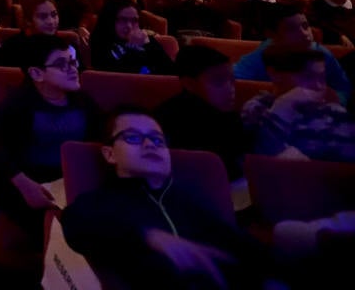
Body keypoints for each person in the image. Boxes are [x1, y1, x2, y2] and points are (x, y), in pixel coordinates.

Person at [62, 107, 265, 288]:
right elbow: (75, 225)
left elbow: (237, 243)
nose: (151, 144)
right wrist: (146, 236)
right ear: (110, 154)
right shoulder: (100, 203)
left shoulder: (188, 201)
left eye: (158, 139)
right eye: (133, 137)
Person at [0, 36, 100, 265]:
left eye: (73, 62)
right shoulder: (20, 104)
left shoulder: (84, 103)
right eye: (61, 64)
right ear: (36, 73)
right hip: (28, 184)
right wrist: (23, 183)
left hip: (70, 185)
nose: (73, 69)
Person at [242, 46, 355, 162]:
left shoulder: (334, 113)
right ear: (275, 74)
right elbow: (262, 160)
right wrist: (284, 105)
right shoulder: (257, 110)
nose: (319, 86)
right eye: (308, 77)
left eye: (322, 78)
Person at [155, 45, 246, 180]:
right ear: (189, 84)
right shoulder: (169, 119)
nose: (230, 89)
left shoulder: (230, 116)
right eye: (219, 81)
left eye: (232, 81)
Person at [233, 4, 350, 104]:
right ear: (271, 34)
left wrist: (335, 100)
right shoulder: (263, 55)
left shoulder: (321, 53)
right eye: (291, 29)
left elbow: (342, 86)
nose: (304, 34)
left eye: (305, 26)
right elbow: (234, 77)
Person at [89, 0, 175, 75]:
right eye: (122, 20)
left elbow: (170, 73)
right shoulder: (100, 42)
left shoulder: (148, 41)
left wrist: (148, 46)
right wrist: (133, 50)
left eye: (134, 21)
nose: (129, 26)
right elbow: (117, 76)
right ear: (110, 21)